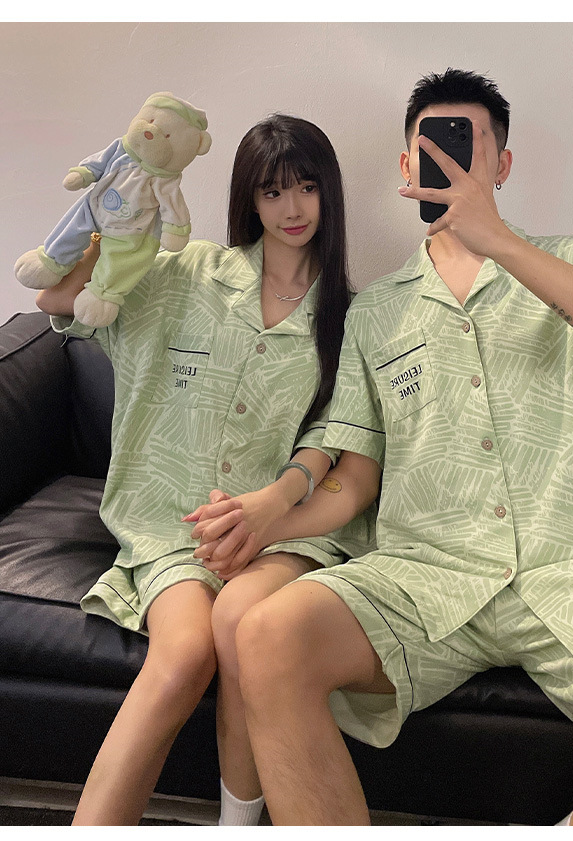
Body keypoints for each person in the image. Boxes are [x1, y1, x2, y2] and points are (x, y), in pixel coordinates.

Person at [194, 69, 573, 825]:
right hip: (429, 575)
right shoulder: (376, 313)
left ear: (502, 165)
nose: (449, 165)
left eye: (468, 148)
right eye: (431, 150)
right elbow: (356, 478)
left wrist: (498, 241)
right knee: (266, 634)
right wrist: (270, 520)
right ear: (405, 166)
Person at [35, 114, 374, 826]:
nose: (291, 208)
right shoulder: (185, 274)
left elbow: (333, 433)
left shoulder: (350, 314)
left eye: (307, 188)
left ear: (329, 193)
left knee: (243, 623)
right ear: (249, 198)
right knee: (185, 655)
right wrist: (118, 207)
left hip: (282, 529)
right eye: (272, 191)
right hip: (174, 524)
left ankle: (233, 827)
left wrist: (272, 505)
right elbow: (57, 298)